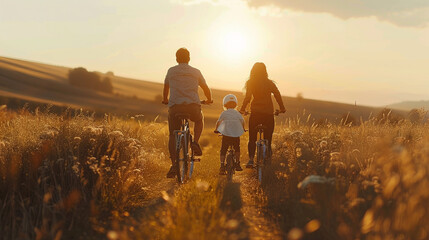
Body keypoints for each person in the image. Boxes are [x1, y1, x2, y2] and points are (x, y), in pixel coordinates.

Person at [162, 48, 213, 178]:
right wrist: (209, 99)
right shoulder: (196, 72)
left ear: (176, 58)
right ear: (189, 58)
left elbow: (166, 87)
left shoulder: (171, 71)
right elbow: (205, 88)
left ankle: (174, 164)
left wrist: (165, 99)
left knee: (173, 135)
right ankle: (195, 142)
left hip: (175, 108)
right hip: (192, 107)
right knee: (199, 119)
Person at [239, 62, 286, 168]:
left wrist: (242, 109)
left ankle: (251, 160)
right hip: (268, 114)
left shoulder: (251, 82)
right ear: (265, 71)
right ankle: (268, 162)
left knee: (252, 138)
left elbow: (248, 97)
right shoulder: (269, 83)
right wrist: (282, 108)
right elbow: (277, 94)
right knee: (268, 140)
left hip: (255, 114)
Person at [215, 94, 245, 175]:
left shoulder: (224, 113)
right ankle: (238, 163)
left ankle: (222, 166)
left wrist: (216, 129)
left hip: (226, 134)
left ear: (225, 104)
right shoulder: (238, 113)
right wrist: (243, 129)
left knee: (223, 149)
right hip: (236, 134)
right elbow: (242, 121)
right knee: (237, 148)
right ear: (235, 104)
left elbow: (219, 122)